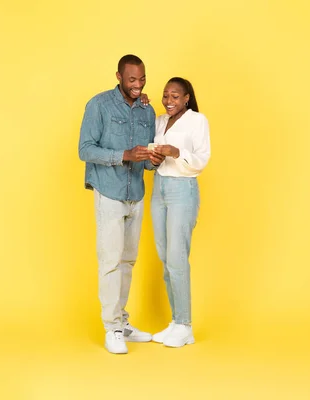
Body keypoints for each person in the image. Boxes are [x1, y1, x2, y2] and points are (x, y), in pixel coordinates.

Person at [78, 54, 165, 354]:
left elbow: (149, 159)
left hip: (136, 193)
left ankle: (122, 321)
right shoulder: (99, 105)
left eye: (142, 79)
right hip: (109, 193)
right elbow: (85, 149)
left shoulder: (147, 111)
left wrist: (155, 159)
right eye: (132, 80)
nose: (138, 85)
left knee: (128, 261)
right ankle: (111, 327)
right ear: (119, 77)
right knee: (110, 261)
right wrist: (123, 155)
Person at [149, 77, 211, 348]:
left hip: (182, 190)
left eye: (175, 96)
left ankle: (185, 326)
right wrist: (156, 157)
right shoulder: (160, 121)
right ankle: (176, 322)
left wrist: (177, 151)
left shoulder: (197, 120)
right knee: (165, 256)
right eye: (166, 96)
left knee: (177, 257)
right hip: (159, 188)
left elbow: (202, 159)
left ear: (186, 98)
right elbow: (154, 152)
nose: (169, 101)